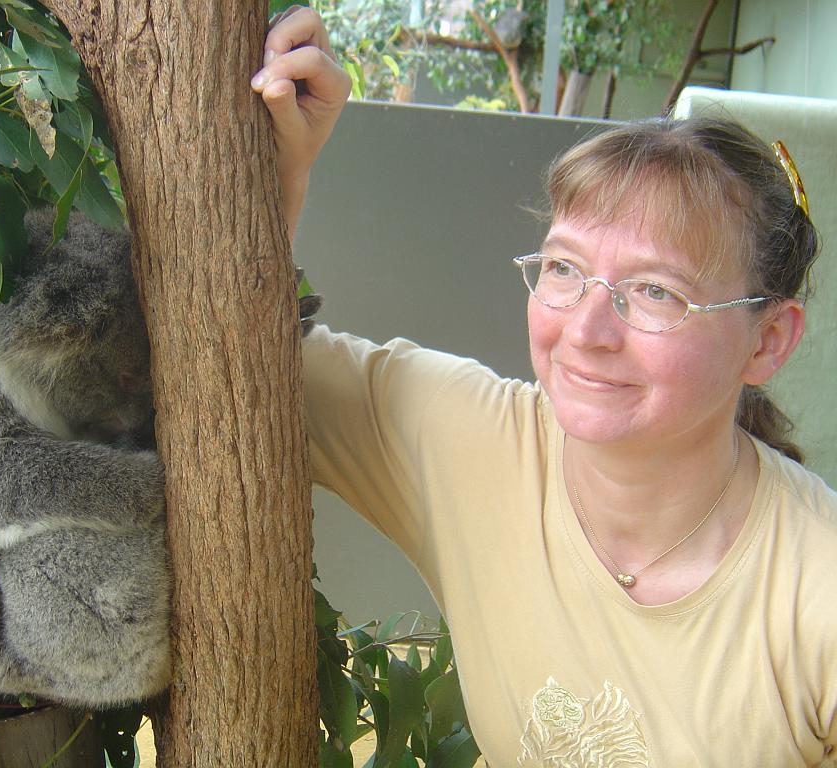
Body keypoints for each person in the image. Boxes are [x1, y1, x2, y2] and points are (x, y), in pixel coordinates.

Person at [252, 8, 836, 765]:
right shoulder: (465, 437)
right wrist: (280, 174)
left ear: (768, 340)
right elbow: (246, 364)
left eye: (655, 291)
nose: (587, 331)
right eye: (564, 268)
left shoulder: (816, 594)